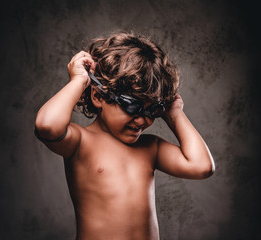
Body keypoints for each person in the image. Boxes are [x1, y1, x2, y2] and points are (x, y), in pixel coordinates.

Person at [34, 32, 215, 240]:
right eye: (133, 107)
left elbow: (202, 166)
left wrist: (174, 114)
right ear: (98, 96)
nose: (142, 121)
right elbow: (46, 126)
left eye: (151, 111)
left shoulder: (151, 148)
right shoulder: (80, 142)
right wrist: (79, 80)